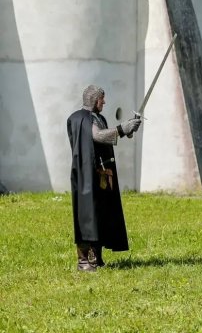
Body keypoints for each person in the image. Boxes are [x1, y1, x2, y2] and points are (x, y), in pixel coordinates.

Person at [67, 85, 141, 271]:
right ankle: (84, 261)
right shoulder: (80, 118)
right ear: (94, 99)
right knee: (87, 216)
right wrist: (122, 129)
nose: (104, 102)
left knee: (101, 213)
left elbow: (106, 138)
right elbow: (97, 136)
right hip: (86, 176)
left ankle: (96, 257)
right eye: (102, 99)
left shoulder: (98, 117)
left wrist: (128, 129)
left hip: (101, 174)